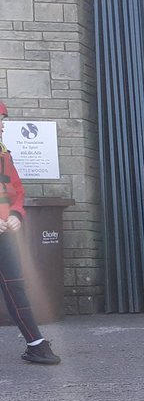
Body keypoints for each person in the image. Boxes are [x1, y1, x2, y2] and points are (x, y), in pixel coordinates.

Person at [0, 100, 61, 364]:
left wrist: (15, 214)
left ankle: (36, 344)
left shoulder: (4, 154)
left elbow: (17, 191)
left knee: (16, 287)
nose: (1, 126)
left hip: (4, 232)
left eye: (1, 121)